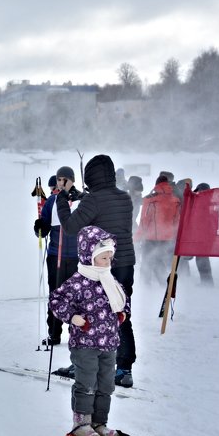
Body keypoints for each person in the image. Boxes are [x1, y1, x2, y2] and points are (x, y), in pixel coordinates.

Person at [55, 155, 137, 388]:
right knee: (119, 313)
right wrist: (83, 197)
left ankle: (83, 364)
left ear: (91, 176)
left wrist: (62, 198)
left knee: (89, 314)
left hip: (99, 267)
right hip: (125, 264)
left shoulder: (94, 200)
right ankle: (124, 368)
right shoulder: (125, 198)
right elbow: (104, 209)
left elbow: (71, 227)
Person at [48, 226, 128, 436]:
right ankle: (82, 423)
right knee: (87, 382)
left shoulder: (110, 280)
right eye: (104, 257)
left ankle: (99, 422)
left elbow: (123, 301)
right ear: (89, 256)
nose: (108, 261)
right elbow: (56, 300)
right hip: (84, 343)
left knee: (106, 384)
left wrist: (122, 314)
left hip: (109, 342)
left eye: (110, 257)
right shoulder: (77, 282)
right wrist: (73, 317)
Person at [34, 166, 82, 346]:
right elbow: (43, 229)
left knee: (77, 296)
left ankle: (75, 332)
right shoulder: (52, 201)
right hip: (56, 255)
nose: (61, 183)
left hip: (78, 257)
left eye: (65, 179)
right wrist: (40, 227)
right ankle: (54, 333)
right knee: (56, 294)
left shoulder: (81, 200)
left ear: (72, 180)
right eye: (59, 179)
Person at [134, 174, 181, 286]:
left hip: (151, 237)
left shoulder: (150, 200)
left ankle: (145, 286)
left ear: (156, 185)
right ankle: (164, 285)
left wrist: (137, 237)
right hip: (167, 239)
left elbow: (144, 221)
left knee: (146, 262)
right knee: (160, 262)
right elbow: (177, 222)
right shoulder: (176, 200)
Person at [192, 183, 215, 285]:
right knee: (201, 260)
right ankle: (206, 282)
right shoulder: (198, 201)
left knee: (202, 260)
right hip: (198, 236)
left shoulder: (205, 203)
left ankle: (207, 284)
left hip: (203, 237)